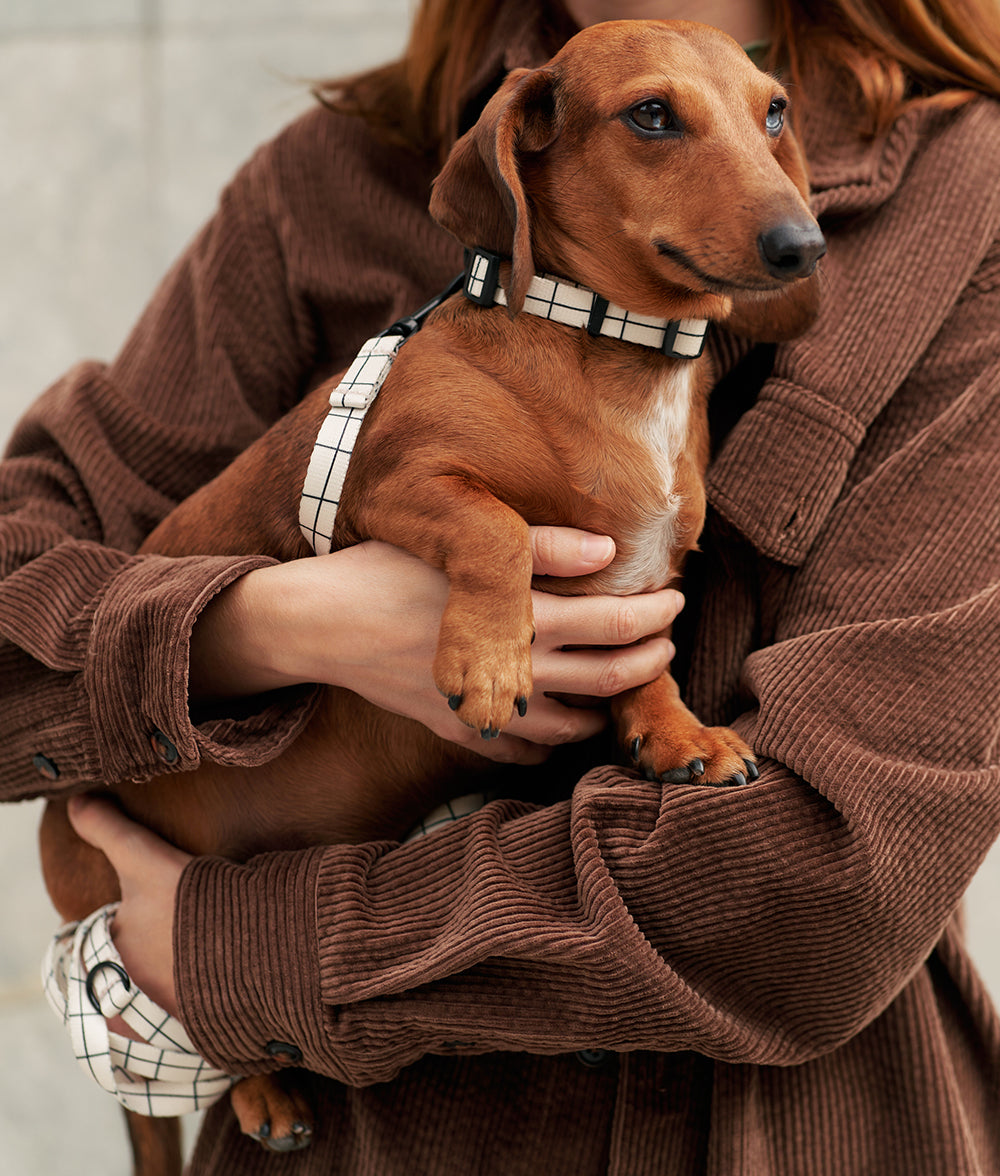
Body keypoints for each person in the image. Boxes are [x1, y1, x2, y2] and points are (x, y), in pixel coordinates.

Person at [4, 0, 1000, 1171]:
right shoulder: (331, 177)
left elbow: (828, 889)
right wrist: (266, 628)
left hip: (786, 1137)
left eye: (759, 124)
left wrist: (248, 951)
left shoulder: (964, 203)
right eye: (651, 123)